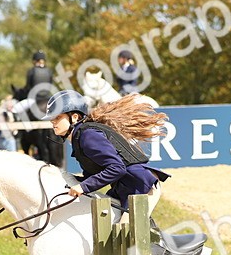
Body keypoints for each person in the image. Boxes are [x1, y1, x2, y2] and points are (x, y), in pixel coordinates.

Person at [47, 89, 169, 218]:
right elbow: (93, 176)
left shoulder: (88, 136)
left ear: (75, 117)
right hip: (124, 186)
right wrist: (66, 178)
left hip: (141, 185)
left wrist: (83, 187)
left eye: (58, 117)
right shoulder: (79, 138)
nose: (53, 121)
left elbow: (117, 168)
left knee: (125, 228)